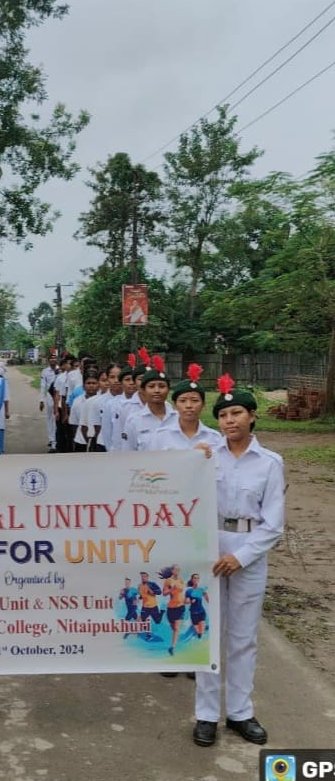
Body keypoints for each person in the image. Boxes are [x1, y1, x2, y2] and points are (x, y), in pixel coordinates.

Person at [193, 374, 285, 748]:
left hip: (248, 549)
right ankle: (206, 715)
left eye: (236, 413)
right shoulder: (205, 455)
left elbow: (274, 523)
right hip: (207, 546)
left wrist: (241, 556)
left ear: (252, 416)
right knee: (207, 633)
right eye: (223, 415)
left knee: (243, 637)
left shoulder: (269, 463)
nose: (229, 420)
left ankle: (240, 713)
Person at [122, 356, 177, 451]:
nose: (157, 390)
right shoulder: (134, 421)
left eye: (162, 386)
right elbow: (128, 453)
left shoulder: (179, 418)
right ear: (143, 390)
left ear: (168, 390)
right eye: (151, 386)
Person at [159, 566, 185, 656]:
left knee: (177, 628)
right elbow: (164, 593)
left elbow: (181, 590)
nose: (177, 571)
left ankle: (172, 647)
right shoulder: (168, 581)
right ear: (172, 571)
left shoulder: (181, 580)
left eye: (179, 569)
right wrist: (171, 589)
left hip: (180, 607)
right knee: (173, 628)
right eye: (176, 569)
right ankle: (175, 638)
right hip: (171, 608)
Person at [39, 352, 58, 452]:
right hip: (50, 397)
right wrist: (41, 400)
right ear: (48, 360)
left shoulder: (60, 370)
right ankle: (51, 439)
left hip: (58, 397)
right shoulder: (45, 372)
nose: (53, 360)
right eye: (51, 358)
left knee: (56, 419)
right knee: (50, 419)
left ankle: (55, 441)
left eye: (54, 358)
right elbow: (43, 386)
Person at [185, 574, 209, 639]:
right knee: (198, 632)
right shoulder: (189, 591)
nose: (196, 579)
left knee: (201, 632)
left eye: (197, 578)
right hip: (193, 613)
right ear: (192, 580)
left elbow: (208, 599)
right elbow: (186, 601)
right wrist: (190, 601)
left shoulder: (201, 589)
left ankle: (203, 631)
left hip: (201, 611)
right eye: (195, 578)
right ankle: (199, 633)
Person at [0, 364, 10, 455]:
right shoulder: (4, 381)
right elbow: (6, 398)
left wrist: (6, 411)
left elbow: (6, 398)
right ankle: (1, 449)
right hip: (1, 409)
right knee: (1, 427)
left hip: (1, 409)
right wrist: (7, 411)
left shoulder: (4, 381)